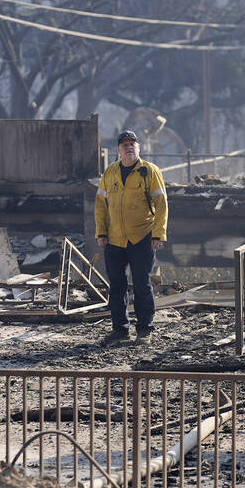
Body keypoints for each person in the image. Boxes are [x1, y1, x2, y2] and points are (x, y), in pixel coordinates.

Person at [94, 130, 169, 345]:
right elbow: (100, 205)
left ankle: (145, 329)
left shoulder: (149, 171)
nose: (128, 147)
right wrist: (101, 233)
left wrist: (158, 234)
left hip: (142, 237)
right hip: (115, 240)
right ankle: (120, 329)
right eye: (124, 144)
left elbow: (161, 205)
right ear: (118, 150)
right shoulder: (110, 173)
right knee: (116, 286)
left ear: (139, 148)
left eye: (132, 144)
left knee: (142, 284)